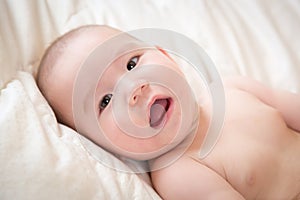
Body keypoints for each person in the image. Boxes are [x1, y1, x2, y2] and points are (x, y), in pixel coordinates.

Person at [37, 25, 300, 200]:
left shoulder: (231, 88)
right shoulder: (178, 173)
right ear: (102, 147)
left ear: (165, 54)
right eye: (105, 101)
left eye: (131, 63)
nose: (133, 89)